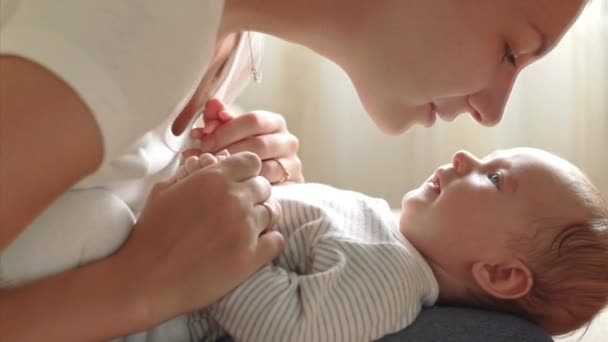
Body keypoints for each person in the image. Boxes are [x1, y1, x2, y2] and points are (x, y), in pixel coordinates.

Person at [0, 0, 590, 340]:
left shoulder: (234, 38)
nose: (493, 113)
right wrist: (143, 284)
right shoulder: (133, 23)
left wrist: (232, 188)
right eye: (511, 49)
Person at [164, 103, 608, 341]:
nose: (464, 155)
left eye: (493, 178)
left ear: (500, 273)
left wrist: (226, 223)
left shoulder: (386, 286)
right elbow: (296, 232)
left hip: (170, 309)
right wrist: (257, 173)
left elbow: (278, 327)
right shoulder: (383, 234)